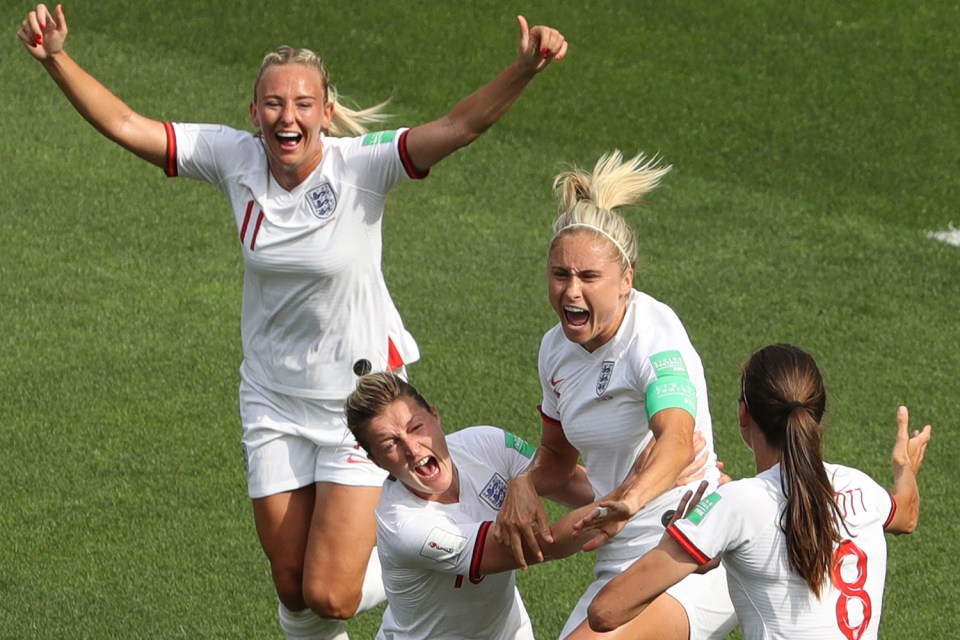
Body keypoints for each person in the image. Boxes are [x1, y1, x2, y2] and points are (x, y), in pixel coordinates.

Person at [17, 5, 568, 639]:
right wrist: (57, 57)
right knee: (291, 587)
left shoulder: (363, 166)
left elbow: (460, 124)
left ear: (325, 112)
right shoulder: (233, 159)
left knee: (330, 593)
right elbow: (125, 123)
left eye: (304, 103)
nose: (288, 116)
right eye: (273, 104)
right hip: (271, 399)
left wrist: (524, 67)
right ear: (254, 114)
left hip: (362, 405)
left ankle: (418, 557)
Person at [493, 151, 738, 639]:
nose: (571, 292)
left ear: (626, 281)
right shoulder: (554, 351)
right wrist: (525, 483)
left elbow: (676, 439)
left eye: (589, 278)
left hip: (689, 546)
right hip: (619, 555)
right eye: (560, 275)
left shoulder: (653, 333)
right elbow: (558, 460)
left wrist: (633, 499)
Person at [587, 343, 932, 639]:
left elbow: (605, 612)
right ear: (818, 417)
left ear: (743, 414)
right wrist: (905, 468)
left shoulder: (736, 504)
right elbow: (908, 513)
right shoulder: (861, 487)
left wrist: (674, 544)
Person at [343, 371, 605, 639]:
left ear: (435, 415)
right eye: (390, 444)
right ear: (376, 461)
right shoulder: (404, 525)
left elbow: (572, 482)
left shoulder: (486, 443)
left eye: (416, 427)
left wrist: (525, 480)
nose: (412, 448)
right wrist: (625, 502)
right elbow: (538, 546)